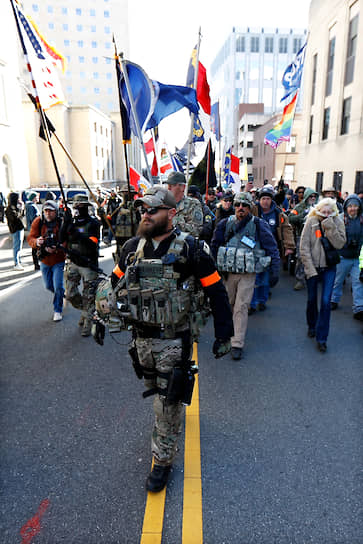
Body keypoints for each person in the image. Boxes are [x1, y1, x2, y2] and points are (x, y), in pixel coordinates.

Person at [92, 185, 233, 492]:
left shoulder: (192, 249)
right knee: (156, 391)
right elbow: (112, 284)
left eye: (152, 209)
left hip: (174, 340)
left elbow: (216, 292)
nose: (146, 214)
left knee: (166, 404)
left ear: (171, 213)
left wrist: (224, 333)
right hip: (141, 341)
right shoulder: (132, 247)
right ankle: (170, 419)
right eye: (144, 209)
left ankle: (163, 461)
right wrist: (99, 317)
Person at [211, 192, 280, 360]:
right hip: (228, 273)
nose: (240, 208)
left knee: (241, 306)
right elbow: (215, 245)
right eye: (237, 205)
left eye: (244, 205)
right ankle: (226, 336)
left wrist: (275, 271)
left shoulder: (258, 225)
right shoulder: (224, 224)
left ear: (250, 207)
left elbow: (272, 247)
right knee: (228, 305)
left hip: (248, 274)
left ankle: (237, 343)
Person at [299, 198, 346, 352]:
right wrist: (310, 269)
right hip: (313, 267)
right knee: (312, 299)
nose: (326, 214)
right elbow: (304, 246)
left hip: (329, 268)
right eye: (323, 212)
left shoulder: (337, 222)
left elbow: (340, 244)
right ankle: (311, 325)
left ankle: (322, 338)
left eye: (329, 212)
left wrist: (330, 227)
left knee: (326, 302)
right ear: (318, 210)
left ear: (334, 212)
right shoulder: (311, 221)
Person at [249, 185, 295, 312]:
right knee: (254, 278)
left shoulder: (278, 213)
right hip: (254, 248)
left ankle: (262, 301)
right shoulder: (253, 211)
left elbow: (287, 229)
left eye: (268, 199)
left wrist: (289, 246)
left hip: (271, 249)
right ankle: (251, 304)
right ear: (259, 200)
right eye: (263, 198)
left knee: (265, 278)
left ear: (271, 200)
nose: (265, 201)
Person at [60, 194, 101, 336]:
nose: (79, 208)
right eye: (77, 205)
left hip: (88, 264)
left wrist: (76, 233)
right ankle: (85, 310)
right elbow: (61, 239)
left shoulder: (94, 223)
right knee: (70, 294)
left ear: (87, 207)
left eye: (82, 206)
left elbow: (91, 244)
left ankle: (88, 323)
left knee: (89, 295)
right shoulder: (71, 223)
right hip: (73, 262)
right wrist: (65, 223)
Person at [27, 200, 66, 321]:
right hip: (44, 260)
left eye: (51, 211)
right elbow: (30, 238)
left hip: (58, 259)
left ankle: (57, 310)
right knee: (49, 286)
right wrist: (37, 242)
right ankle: (61, 295)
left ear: (56, 211)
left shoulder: (61, 223)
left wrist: (57, 248)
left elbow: (67, 240)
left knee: (58, 285)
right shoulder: (38, 222)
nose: (48, 214)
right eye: (46, 211)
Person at [330, 194, 363, 321]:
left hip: (357, 258)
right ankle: (334, 300)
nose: (353, 209)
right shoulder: (339, 219)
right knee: (338, 280)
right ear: (346, 207)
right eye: (350, 206)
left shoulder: (361, 220)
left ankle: (359, 308)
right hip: (342, 256)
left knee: (358, 282)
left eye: (355, 206)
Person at [289, 187, 319, 290]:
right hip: (301, 236)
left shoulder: (318, 206)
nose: (313, 198)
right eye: (311, 196)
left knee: (316, 257)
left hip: (316, 235)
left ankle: (312, 277)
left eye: (314, 196)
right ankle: (300, 279)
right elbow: (290, 218)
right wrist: (303, 215)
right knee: (301, 258)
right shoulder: (299, 207)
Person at [164, 171, 203, 236]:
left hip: (183, 243)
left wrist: (172, 226)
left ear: (183, 187)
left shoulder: (193, 204)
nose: (168, 188)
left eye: (172, 185)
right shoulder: (163, 204)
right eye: (168, 185)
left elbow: (196, 230)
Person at [113, 185, 139, 262]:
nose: (126, 195)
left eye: (128, 193)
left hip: (133, 242)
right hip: (120, 242)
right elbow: (110, 220)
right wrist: (102, 214)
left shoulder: (138, 206)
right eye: (124, 193)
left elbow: (139, 222)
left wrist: (133, 211)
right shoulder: (118, 207)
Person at [5, 192, 25, 271]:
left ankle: (19, 261)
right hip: (15, 229)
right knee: (16, 246)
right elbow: (16, 218)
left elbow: (21, 216)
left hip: (19, 228)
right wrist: (21, 209)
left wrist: (21, 209)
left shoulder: (15, 207)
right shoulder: (10, 209)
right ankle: (16, 263)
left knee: (19, 246)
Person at [25, 191, 41, 270]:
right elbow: (33, 219)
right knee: (35, 246)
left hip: (32, 228)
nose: (38, 198)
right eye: (37, 197)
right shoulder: (32, 206)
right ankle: (36, 264)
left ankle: (37, 263)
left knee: (35, 246)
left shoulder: (29, 205)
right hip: (34, 228)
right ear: (34, 198)